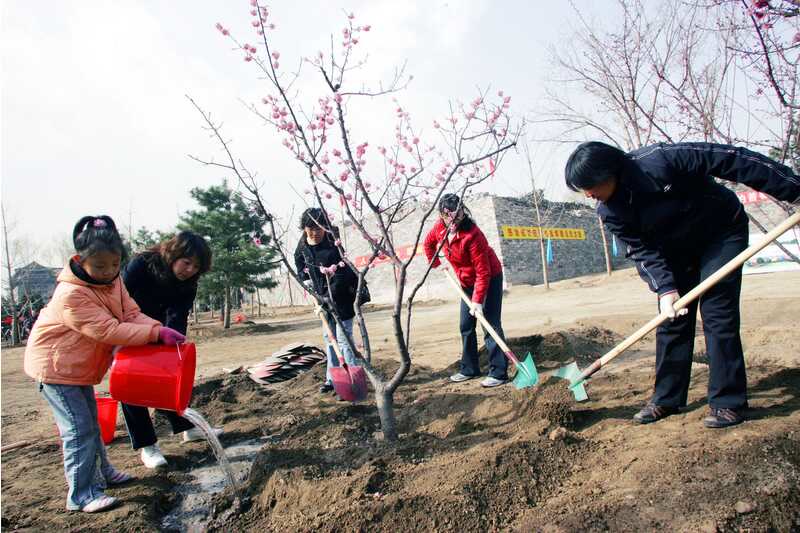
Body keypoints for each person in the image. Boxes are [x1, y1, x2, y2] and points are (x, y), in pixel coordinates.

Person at [564, 141, 800, 428]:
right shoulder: (609, 211)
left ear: (609, 171)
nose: (588, 195)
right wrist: (665, 289)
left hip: (720, 233)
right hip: (673, 251)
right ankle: (667, 398)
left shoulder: (662, 160)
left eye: (590, 186)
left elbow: (733, 159)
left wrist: (794, 191)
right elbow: (641, 251)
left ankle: (728, 402)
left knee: (717, 311)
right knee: (672, 317)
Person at [24, 216, 186, 513]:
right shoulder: (71, 294)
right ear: (79, 261)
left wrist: (158, 328)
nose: (109, 271)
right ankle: (81, 494)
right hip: (55, 368)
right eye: (100, 266)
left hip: (77, 368)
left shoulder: (113, 282)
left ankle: (104, 473)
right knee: (78, 430)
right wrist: (154, 334)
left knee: (91, 426)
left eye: (114, 264)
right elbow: (109, 330)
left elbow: (131, 314)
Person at [121, 231, 217, 469]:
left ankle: (186, 428)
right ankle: (148, 446)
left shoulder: (188, 283)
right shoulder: (141, 265)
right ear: (174, 254)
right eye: (186, 262)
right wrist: (134, 332)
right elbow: (119, 300)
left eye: (196, 267)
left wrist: (172, 342)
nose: (190, 270)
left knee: (169, 378)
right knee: (131, 386)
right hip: (129, 328)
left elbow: (178, 313)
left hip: (161, 331)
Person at [424, 193, 509, 387]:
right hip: (466, 283)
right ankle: (469, 368)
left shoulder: (473, 235)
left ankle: (499, 372)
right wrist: (436, 264)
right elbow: (428, 244)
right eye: (448, 216)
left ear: (462, 212)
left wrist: (478, 301)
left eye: (457, 215)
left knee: (490, 324)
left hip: (489, 279)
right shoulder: (439, 228)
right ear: (442, 215)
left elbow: (483, 272)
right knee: (465, 325)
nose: (453, 221)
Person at [294, 208, 359, 394]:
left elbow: (343, 273)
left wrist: (330, 297)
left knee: (344, 339)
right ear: (304, 228)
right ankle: (333, 379)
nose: (314, 233)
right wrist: (308, 284)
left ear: (325, 227)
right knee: (329, 339)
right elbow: (299, 262)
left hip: (342, 297)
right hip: (321, 298)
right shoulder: (303, 244)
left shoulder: (333, 244)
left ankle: (352, 380)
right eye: (310, 228)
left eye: (318, 228)